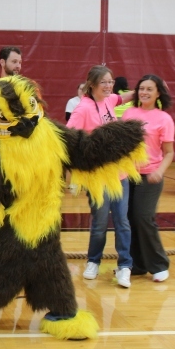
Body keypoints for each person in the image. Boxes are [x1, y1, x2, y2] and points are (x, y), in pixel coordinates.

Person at [67, 65, 135, 288]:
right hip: (98, 177)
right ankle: (93, 261)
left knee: (122, 221)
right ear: (92, 85)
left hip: (120, 174)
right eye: (104, 82)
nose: (108, 86)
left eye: (111, 81)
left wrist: (141, 88)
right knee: (99, 223)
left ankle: (125, 266)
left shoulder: (108, 99)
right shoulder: (83, 108)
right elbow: (69, 136)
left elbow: (120, 98)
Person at [123, 75, 174, 283]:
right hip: (128, 175)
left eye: (149, 89)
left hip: (150, 176)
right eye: (141, 88)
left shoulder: (164, 119)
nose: (144, 92)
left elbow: (169, 152)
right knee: (129, 219)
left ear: (158, 93)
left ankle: (159, 264)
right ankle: (137, 264)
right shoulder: (128, 113)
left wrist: (160, 171)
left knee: (144, 217)